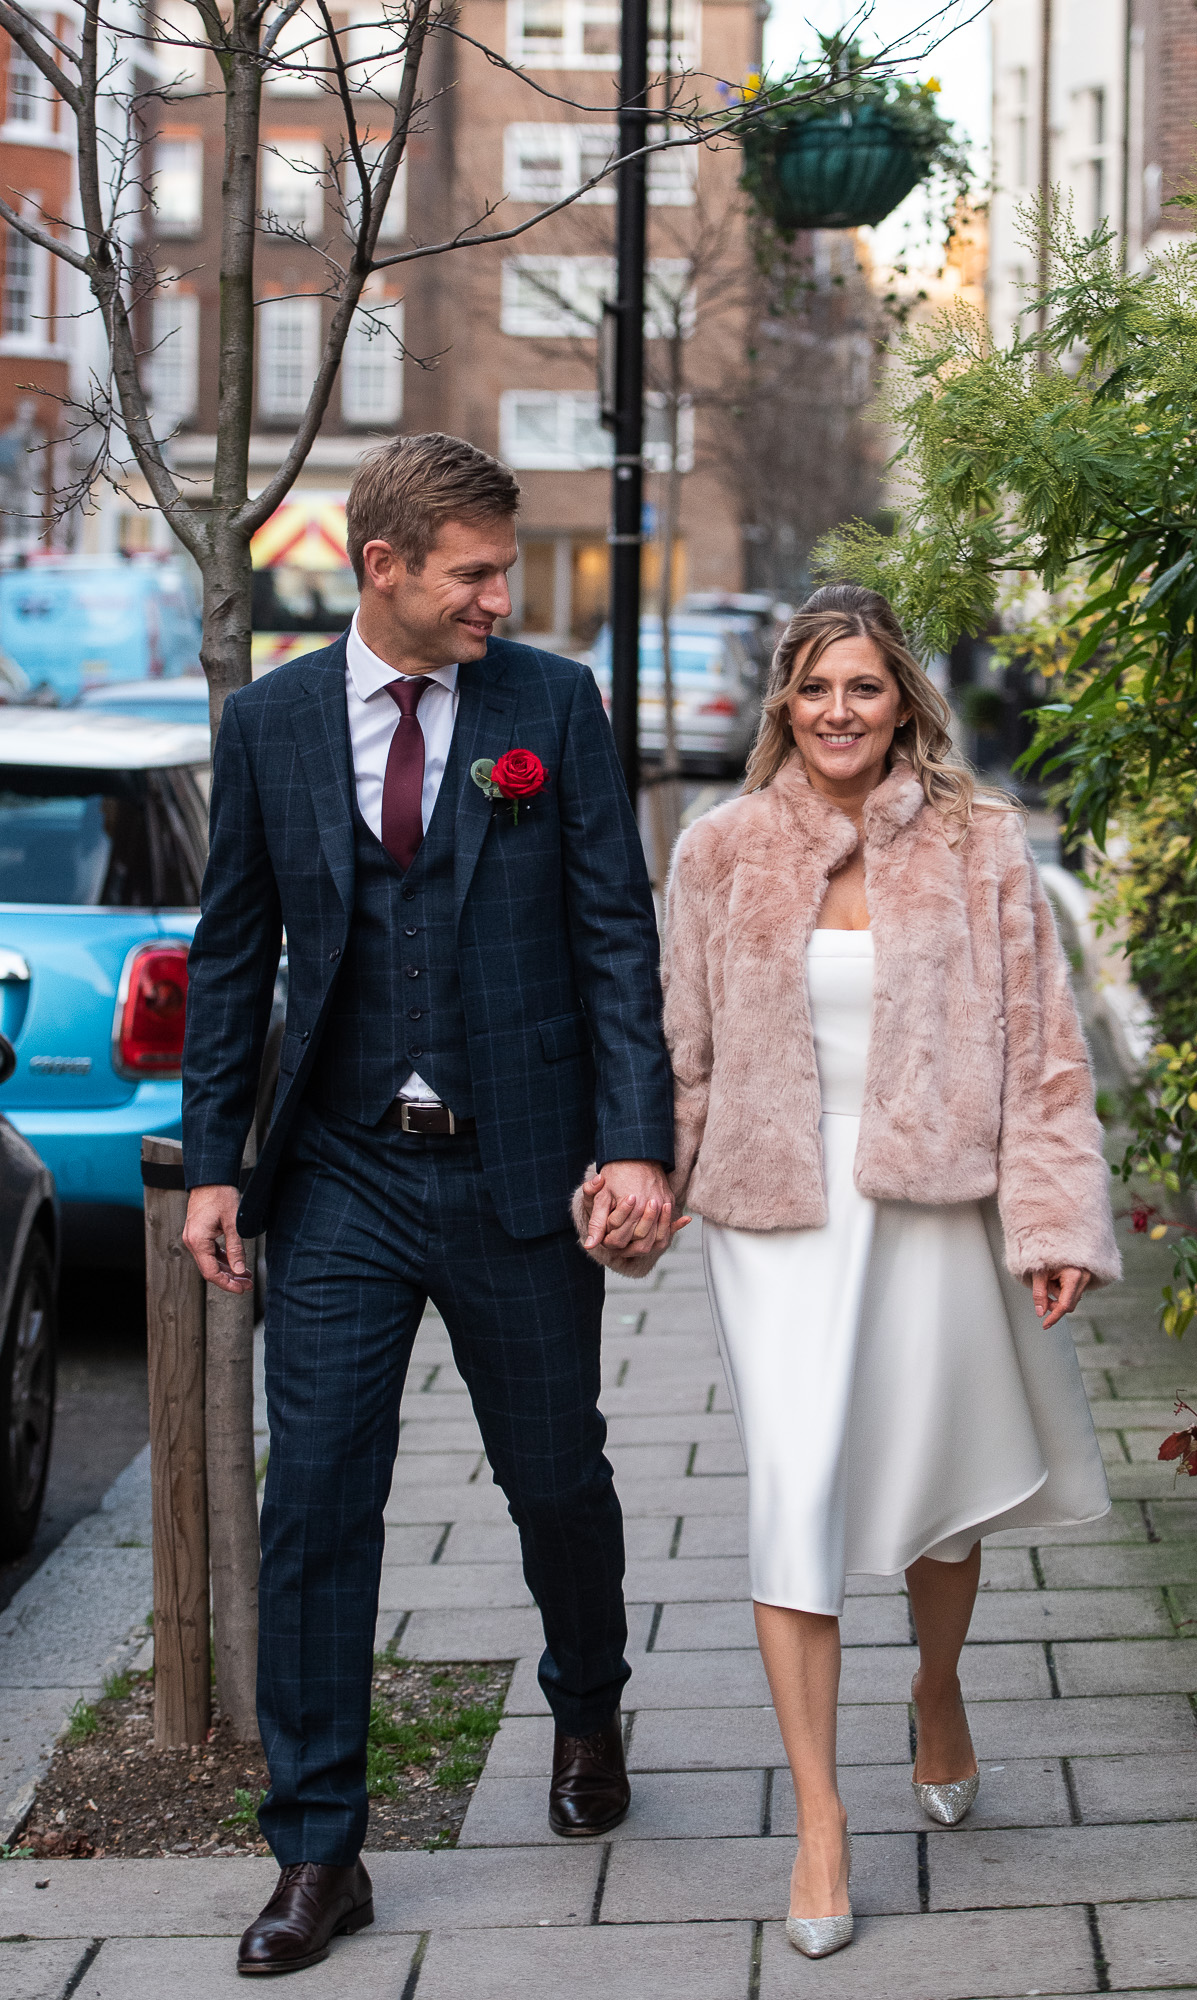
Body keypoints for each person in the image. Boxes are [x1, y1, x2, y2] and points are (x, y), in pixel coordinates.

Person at [181, 434, 677, 1977]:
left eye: (501, 571)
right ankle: (321, 1850)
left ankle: (586, 1699)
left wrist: (637, 1143)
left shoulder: (551, 706)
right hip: (338, 1174)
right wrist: (214, 1160)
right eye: (471, 572)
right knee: (315, 1502)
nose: (496, 597)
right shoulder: (267, 723)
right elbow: (230, 947)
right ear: (378, 565)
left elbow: (614, 934)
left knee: (557, 1482)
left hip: (517, 1165)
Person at [583, 583, 1119, 1961]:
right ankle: (821, 1822)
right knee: (800, 1485)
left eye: (864, 689)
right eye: (816, 689)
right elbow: (679, 1047)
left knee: (939, 1489)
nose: (838, 712)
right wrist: (646, 1180)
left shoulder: (984, 846)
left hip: (935, 1193)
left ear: (904, 705)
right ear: (784, 701)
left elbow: (1047, 1047)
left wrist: (1055, 1218)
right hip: (778, 1213)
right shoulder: (718, 852)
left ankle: (936, 1689)